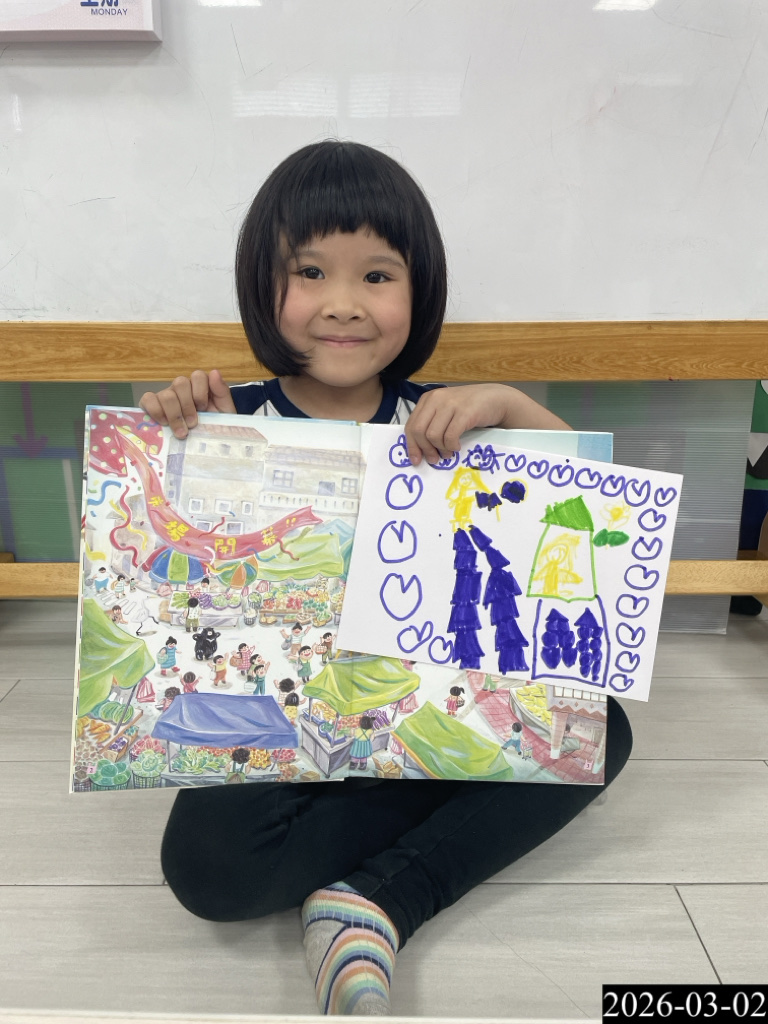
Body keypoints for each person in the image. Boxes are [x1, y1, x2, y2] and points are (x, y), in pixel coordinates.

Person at [141, 140, 632, 1018]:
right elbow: (161, 575)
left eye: (377, 275)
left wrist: (508, 405)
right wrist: (181, 441)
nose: (343, 303)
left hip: (425, 707)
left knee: (601, 733)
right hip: (286, 725)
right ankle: (394, 849)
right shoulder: (231, 420)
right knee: (207, 870)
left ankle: (375, 902)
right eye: (310, 272)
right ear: (263, 284)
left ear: (420, 290)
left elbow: (590, 506)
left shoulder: (444, 421)